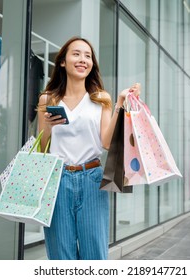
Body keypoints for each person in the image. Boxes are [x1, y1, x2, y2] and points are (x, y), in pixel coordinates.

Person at [36, 36, 140, 260]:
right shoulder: (48, 98)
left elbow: (106, 142)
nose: (83, 59)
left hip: (92, 179)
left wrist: (120, 103)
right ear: (62, 61)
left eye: (88, 56)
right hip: (57, 180)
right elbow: (42, 147)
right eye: (76, 54)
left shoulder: (101, 98)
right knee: (60, 255)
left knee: (95, 254)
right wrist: (50, 128)